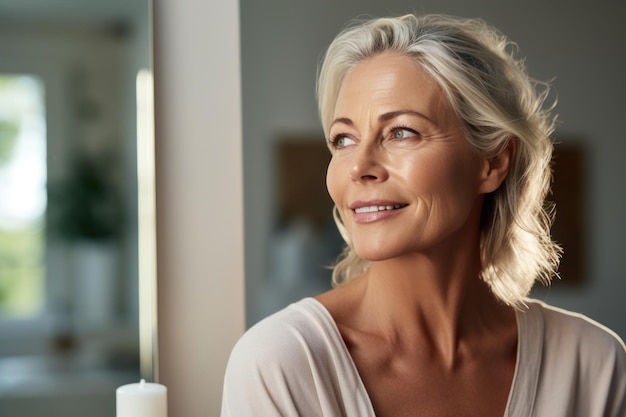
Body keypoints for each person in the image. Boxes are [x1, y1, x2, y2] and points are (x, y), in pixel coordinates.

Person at [221, 14, 626, 416]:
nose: (359, 166)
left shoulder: (592, 365)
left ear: (493, 162)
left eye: (401, 132)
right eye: (343, 139)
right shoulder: (280, 366)